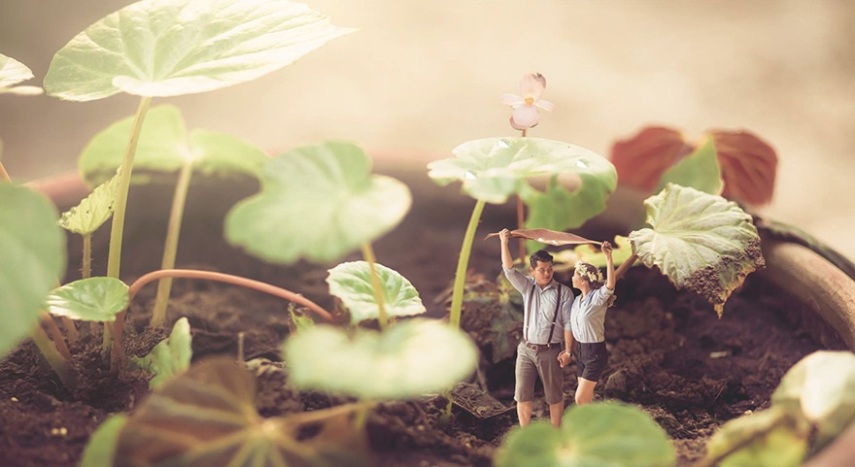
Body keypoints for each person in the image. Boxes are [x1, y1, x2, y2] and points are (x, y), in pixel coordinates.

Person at [498, 228, 574, 427]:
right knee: (522, 394)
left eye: (550, 269)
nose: (547, 273)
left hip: (551, 351)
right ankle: (525, 432)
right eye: (542, 269)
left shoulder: (563, 293)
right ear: (532, 271)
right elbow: (509, 270)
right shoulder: (527, 287)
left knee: (554, 396)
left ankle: (556, 431)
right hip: (526, 349)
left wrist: (567, 351)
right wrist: (504, 243)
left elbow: (568, 323)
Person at [558, 240, 615, 406]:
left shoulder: (596, 299)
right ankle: (592, 428)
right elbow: (571, 326)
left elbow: (610, 285)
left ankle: (596, 425)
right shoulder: (577, 301)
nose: (572, 277)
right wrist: (568, 352)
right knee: (585, 400)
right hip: (581, 351)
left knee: (580, 398)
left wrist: (608, 257)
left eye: (575, 275)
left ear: (583, 280)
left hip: (595, 352)